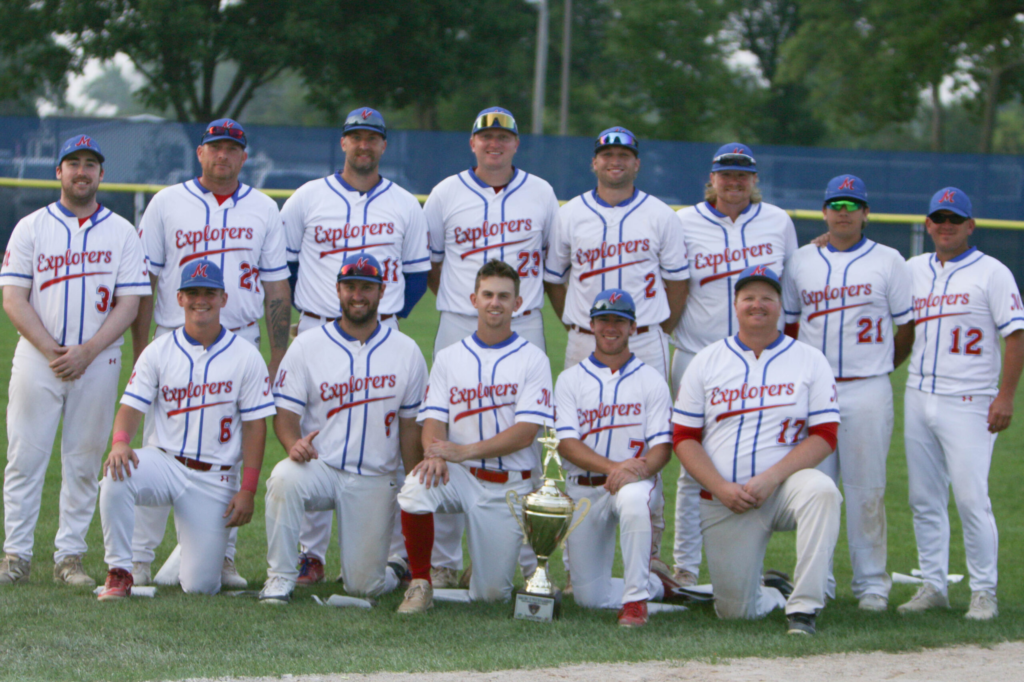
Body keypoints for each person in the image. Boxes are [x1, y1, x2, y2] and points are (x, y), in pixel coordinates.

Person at [129, 118, 290, 589]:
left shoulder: (263, 208)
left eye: (232, 149)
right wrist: (143, 349)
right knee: (158, 445)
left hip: (240, 338)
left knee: (231, 447)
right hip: (172, 336)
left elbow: (277, 285)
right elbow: (148, 281)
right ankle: (138, 557)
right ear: (200, 153)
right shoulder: (167, 203)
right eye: (215, 147)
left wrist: (278, 354)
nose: (223, 155)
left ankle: (223, 555)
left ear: (244, 157)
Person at [279, 107, 430, 586]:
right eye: (355, 138)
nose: (364, 146)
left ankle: (394, 553)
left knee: (382, 443)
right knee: (314, 440)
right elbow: (285, 269)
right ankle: (310, 554)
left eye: (373, 139)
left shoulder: (404, 203)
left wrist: (379, 322)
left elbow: (417, 276)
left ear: (383, 146)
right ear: (342, 143)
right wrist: (325, 313)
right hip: (319, 327)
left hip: (381, 328)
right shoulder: (307, 198)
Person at [0, 135, 149, 586]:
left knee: (84, 460)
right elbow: (12, 297)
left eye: (90, 164)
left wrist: (87, 351)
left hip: (98, 359)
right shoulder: (31, 226)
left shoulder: (122, 231)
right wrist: (51, 349)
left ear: (101, 174)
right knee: (25, 456)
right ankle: (15, 555)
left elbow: (130, 303)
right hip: (38, 357)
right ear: (58, 172)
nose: (81, 172)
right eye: (73, 163)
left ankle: (70, 556)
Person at [422, 107, 558, 586]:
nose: (494, 145)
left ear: (515, 144)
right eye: (486, 138)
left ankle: (526, 559)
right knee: (450, 428)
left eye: (503, 138)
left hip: (524, 319)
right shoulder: (445, 192)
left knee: (524, 430)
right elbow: (433, 262)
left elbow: (552, 261)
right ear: (473, 144)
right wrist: (472, 306)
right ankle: (442, 560)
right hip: (461, 319)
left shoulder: (541, 192)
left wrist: (503, 306)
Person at [672, 265, 842, 635]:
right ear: (735, 305)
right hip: (727, 496)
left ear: (781, 306)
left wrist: (771, 477)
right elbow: (684, 436)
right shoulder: (707, 360)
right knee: (735, 612)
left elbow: (826, 435)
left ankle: (804, 608)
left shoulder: (810, 360)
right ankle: (777, 594)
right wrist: (719, 487)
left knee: (822, 491)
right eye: (749, 297)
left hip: (784, 490)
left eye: (767, 297)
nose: (757, 304)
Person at [96, 260, 274, 599]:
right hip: (165, 463)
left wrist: (248, 489)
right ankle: (120, 570)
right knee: (116, 475)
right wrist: (120, 442)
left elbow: (255, 427)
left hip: (214, 478)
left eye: (209, 293)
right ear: (179, 298)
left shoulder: (245, 355)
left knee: (200, 587)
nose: (200, 300)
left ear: (223, 298)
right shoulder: (159, 351)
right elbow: (131, 407)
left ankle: (194, 547)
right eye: (193, 293)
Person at [259, 254, 428, 604]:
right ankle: (279, 578)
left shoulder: (406, 351)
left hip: (373, 476)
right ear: (338, 289)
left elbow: (410, 427)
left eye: (367, 287)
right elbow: (285, 412)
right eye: (350, 286)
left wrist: (413, 483)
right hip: (320, 467)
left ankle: (395, 568)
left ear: (382, 292)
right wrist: (292, 444)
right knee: (283, 477)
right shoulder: (307, 344)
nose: (358, 295)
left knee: (362, 587)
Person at [781, 175, 914, 611]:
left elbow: (906, 329)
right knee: (816, 485)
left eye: (851, 204)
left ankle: (872, 585)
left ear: (865, 213)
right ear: (824, 211)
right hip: (815, 390)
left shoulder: (890, 260)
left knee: (866, 488)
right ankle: (822, 582)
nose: (843, 211)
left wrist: (879, 368)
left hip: (868, 387)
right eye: (835, 203)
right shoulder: (803, 259)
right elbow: (790, 325)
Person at [669, 143, 799, 588]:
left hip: (762, 362)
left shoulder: (778, 221)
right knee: (692, 462)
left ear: (754, 180)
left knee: (758, 454)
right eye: (727, 175)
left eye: (743, 175)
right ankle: (685, 564)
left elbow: (791, 292)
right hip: (696, 355)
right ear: (713, 178)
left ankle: (743, 558)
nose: (734, 182)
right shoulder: (683, 222)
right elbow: (672, 284)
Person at [395, 260, 554, 612]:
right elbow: (433, 419)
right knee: (415, 488)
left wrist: (461, 451)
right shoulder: (450, 357)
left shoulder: (533, 359)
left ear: (518, 303)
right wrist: (434, 453)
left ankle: (481, 571)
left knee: (491, 595)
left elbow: (525, 434)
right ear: (474, 299)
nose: (494, 302)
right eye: (488, 294)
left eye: (503, 296)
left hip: (507, 484)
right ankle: (420, 582)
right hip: (460, 475)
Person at [897, 188, 1024, 621]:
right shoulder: (913, 268)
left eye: (955, 218)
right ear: (928, 224)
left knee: (972, 498)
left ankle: (983, 590)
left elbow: (1016, 336)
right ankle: (934, 584)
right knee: (923, 497)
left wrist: (1005, 395)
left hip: (970, 399)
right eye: (939, 218)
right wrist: (821, 242)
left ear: (970, 225)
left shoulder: (993, 272)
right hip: (918, 394)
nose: (946, 225)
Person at [554, 289, 680, 627]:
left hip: (634, 484)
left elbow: (662, 448)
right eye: (605, 320)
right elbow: (566, 443)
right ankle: (654, 585)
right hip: (585, 487)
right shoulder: (570, 380)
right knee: (588, 599)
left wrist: (632, 474)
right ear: (592, 325)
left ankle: (636, 601)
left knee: (635, 500)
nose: (612, 327)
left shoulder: (651, 380)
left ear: (633, 327)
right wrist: (616, 468)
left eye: (620, 321)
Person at [544, 126, 690, 379]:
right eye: (607, 154)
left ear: (637, 164)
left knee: (647, 417)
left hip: (643, 339)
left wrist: (659, 330)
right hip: (585, 339)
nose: (615, 161)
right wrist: (576, 325)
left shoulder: (662, 215)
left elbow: (678, 284)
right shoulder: (569, 214)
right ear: (594, 162)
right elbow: (554, 281)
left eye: (624, 155)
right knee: (581, 415)